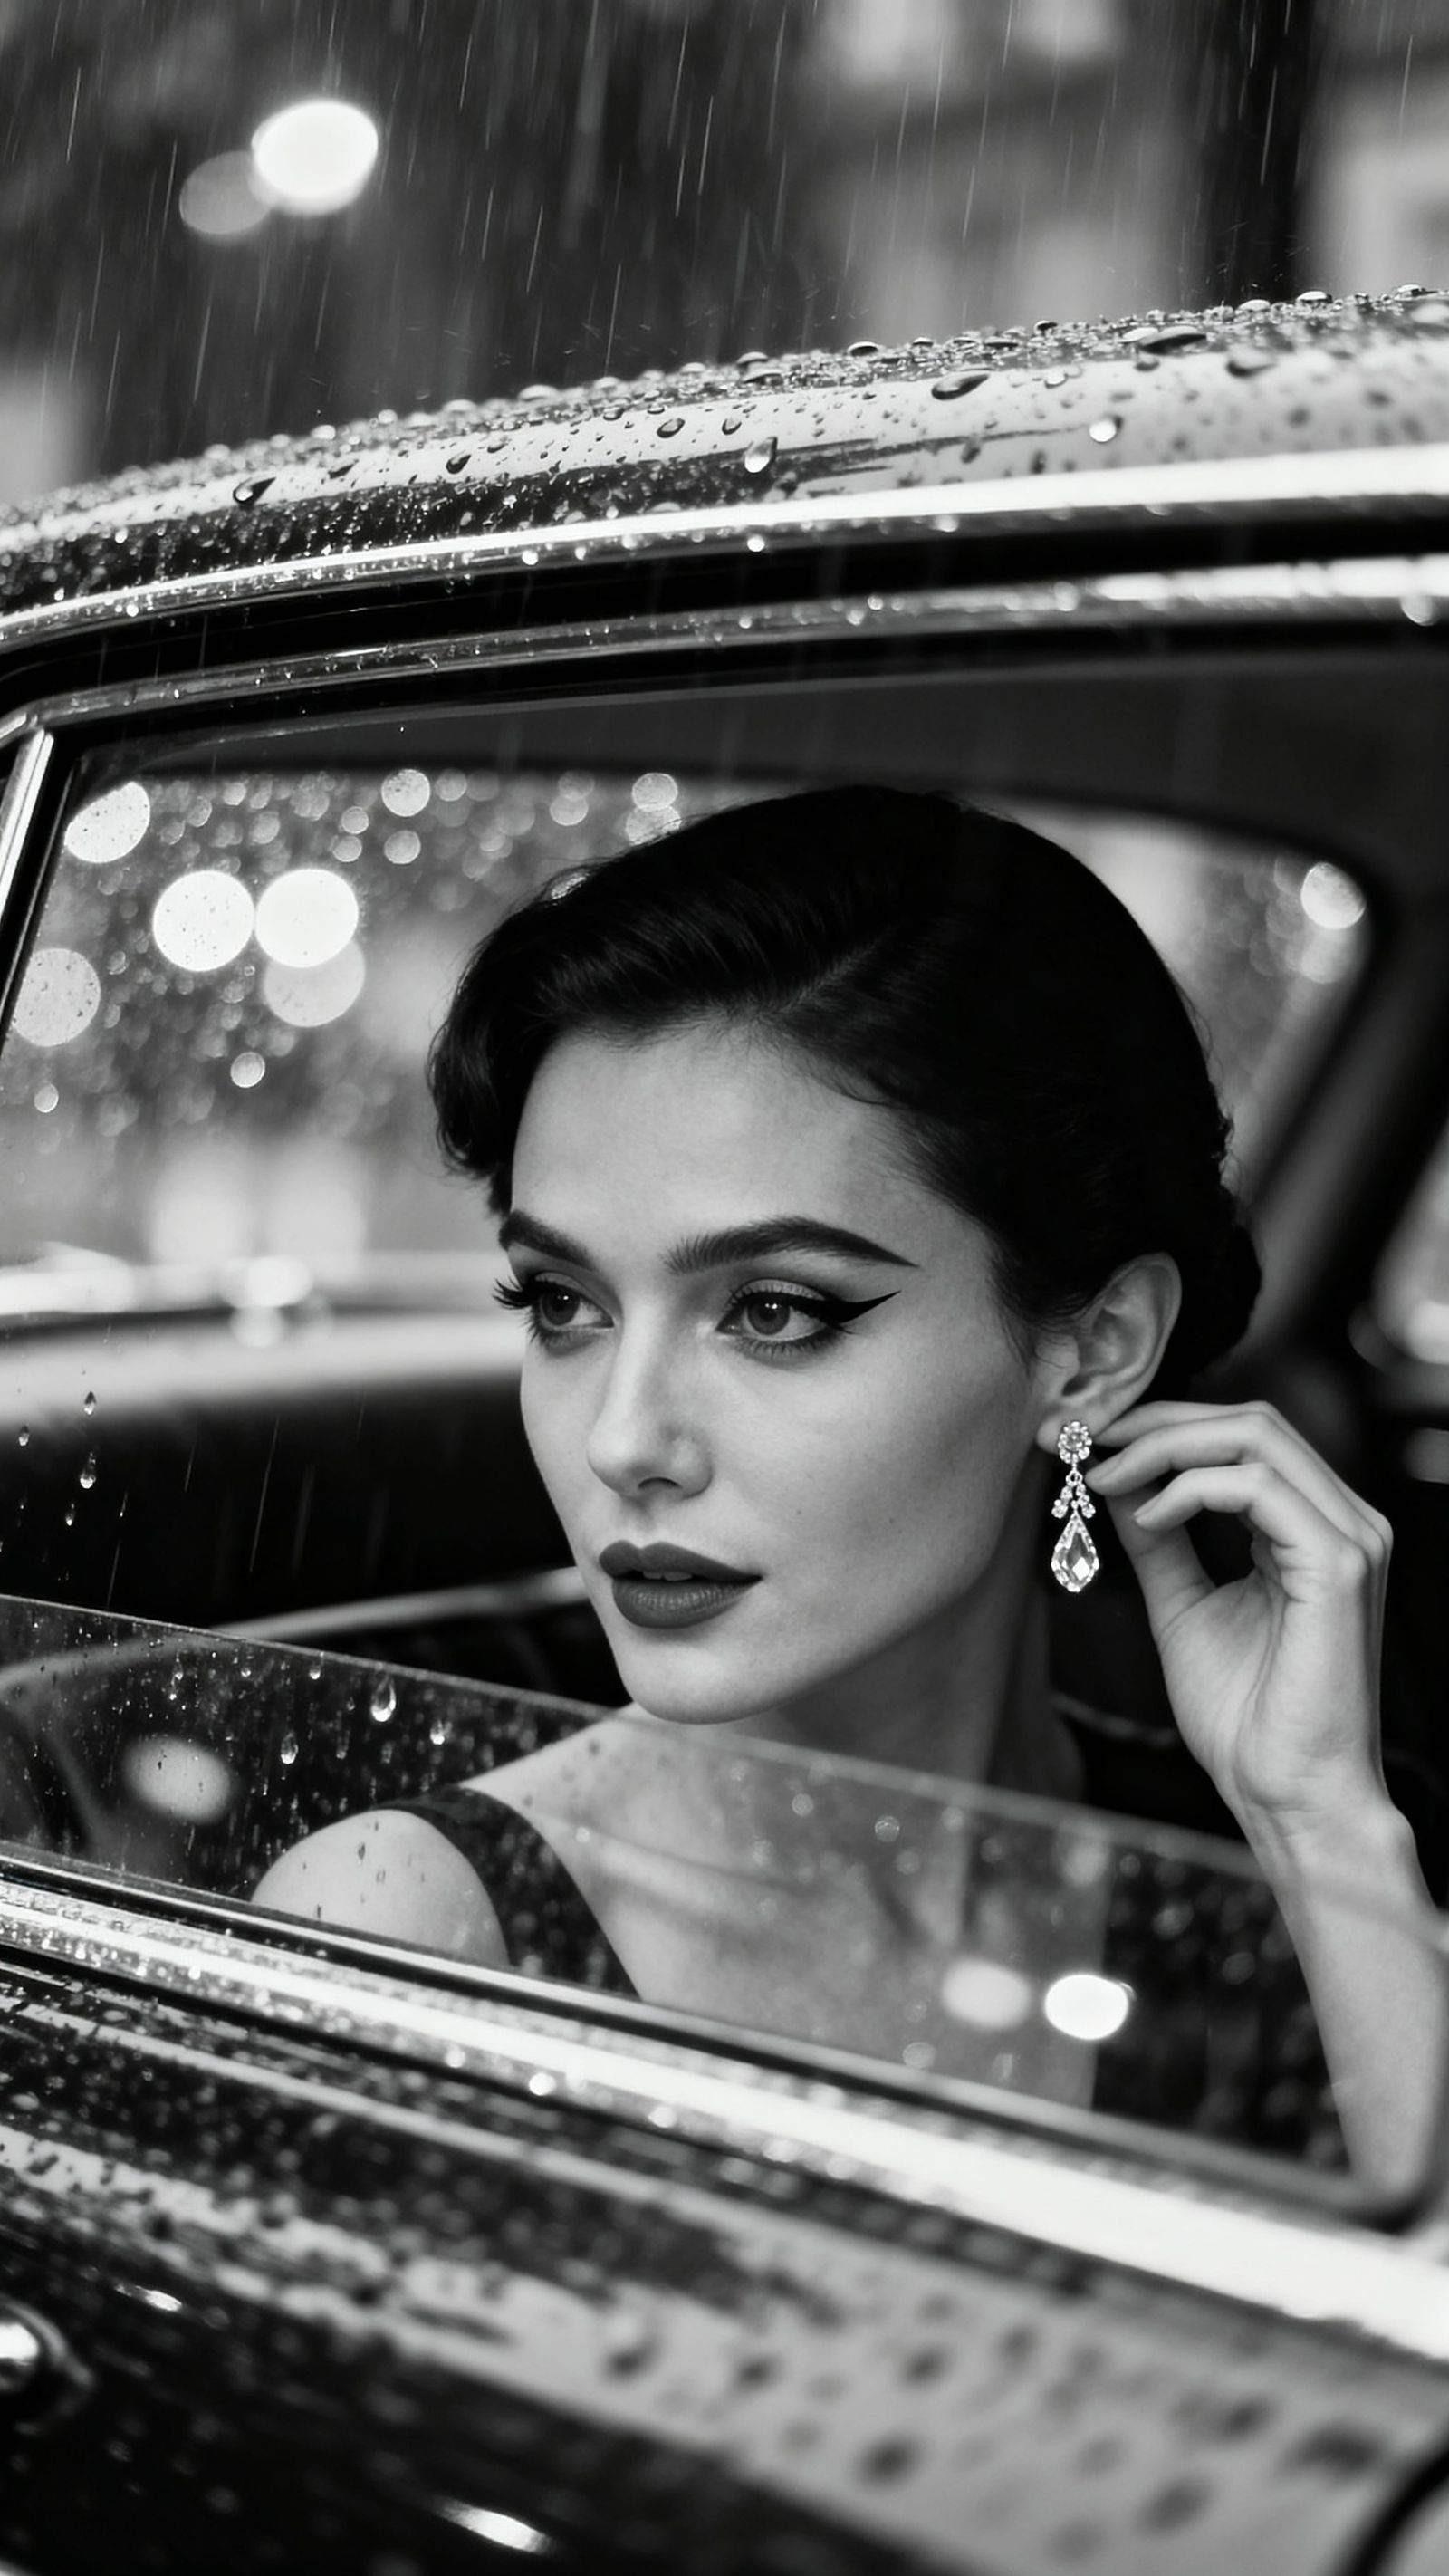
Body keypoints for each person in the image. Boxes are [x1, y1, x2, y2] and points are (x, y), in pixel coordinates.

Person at [254, 788, 1444, 2193]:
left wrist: (1321, 1830)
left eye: (773, 1311)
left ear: (1091, 1350)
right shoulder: (409, 1925)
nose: (624, 1441)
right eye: (563, 1303)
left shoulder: (1278, 1876)